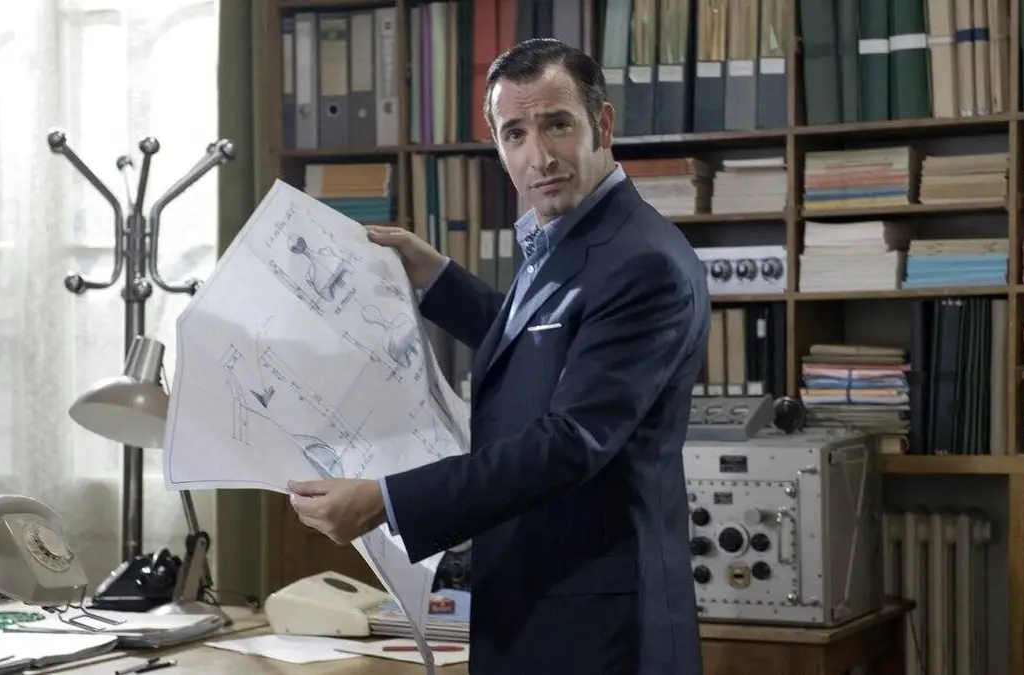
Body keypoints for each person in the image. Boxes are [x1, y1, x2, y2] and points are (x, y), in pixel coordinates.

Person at [288, 38, 709, 675]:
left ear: (602, 124)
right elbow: (542, 347)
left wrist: (388, 500)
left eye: (557, 125)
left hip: (600, 629)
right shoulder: (568, 237)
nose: (540, 157)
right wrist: (435, 278)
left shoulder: (641, 261)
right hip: (535, 606)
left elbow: (570, 442)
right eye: (515, 134)